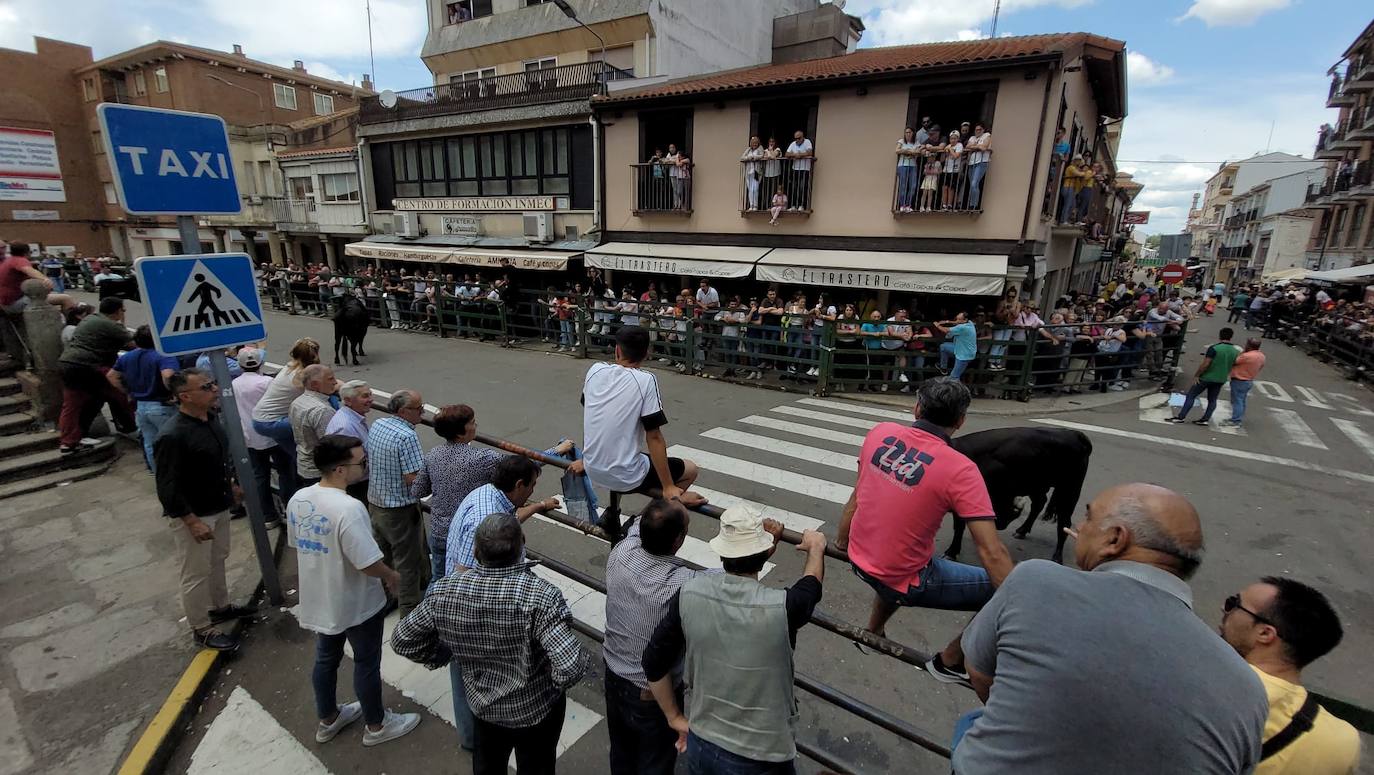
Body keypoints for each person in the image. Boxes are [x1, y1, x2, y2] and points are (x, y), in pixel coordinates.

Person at [951, 483, 1267, 774]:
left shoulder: (1035, 580)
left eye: (1088, 518)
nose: (1080, 528)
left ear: (1115, 539)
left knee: (972, 725)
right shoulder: (1249, 689)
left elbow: (979, 672)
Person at [836, 378, 1013, 685]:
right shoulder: (961, 469)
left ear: (917, 408)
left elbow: (856, 495)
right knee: (1007, 587)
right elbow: (991, 550)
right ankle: (952, 660)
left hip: (857, 557)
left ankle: (873, 631)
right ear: (960, 421)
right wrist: (1025, 598)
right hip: (905, 577)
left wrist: (841, 541)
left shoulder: (880, 433)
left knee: (897, 564)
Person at [392, 513, 592, 775]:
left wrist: (443, 654)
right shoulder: (540, 596)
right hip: (535, 710)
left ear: (475, 552)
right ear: (522, 543)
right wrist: (547, 683)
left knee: (487, 766)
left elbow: (403, 639)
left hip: (483, 704)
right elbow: (570, 666)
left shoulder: (445, 591)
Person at [642, 506, 827, 773]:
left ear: (721, 553)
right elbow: (810, 587)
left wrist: (674, 717)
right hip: (761, 755)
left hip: (702, 740)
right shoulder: (781, 607)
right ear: (765, 555)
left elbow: (653, 661)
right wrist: (816, 548)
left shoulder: (688, 594)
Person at [287, 435, 420, 748]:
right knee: (366, 661)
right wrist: (390, 576)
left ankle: (328, 718)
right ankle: (377, 724)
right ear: (339, 470)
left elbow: (298, 544)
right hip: (355, 600)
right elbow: (366, 561)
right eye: (361, 462)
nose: (365, 466)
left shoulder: (300, 498)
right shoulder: (349, 508)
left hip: (320, 596)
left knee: (325, 658)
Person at [602, 498, 710, 775]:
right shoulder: (683, 583)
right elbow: (732, 578)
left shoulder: (622, 550)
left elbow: (641, 521)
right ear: (677, 542)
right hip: (651, 693)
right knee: (655, 763)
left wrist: (672, 502)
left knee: (622, 754)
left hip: (614, 672)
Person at [154, 368, 257, 651]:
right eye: (206, 386)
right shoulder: (172, 436)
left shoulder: (210, 419)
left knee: (218, 559)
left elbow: (219, 460)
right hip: (196, 513)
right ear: (185, 396)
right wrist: (190, 520)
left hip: (219, 504)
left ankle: (220, 606)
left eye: (212, 384)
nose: (214, 389)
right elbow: (167, 485)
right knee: (195, 572)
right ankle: (201, 627)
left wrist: (232, 484)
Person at [1218, 577, 1360, 774]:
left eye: (1234, 604)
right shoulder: (1343, 743)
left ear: (1265, 633)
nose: (1223, 609)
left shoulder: (1210, 685)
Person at [582, 326, 701, 504]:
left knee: (633, 456)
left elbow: (593, 412)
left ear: (617, 350)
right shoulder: (645, 380)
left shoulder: (595, 370)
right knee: (691, 469)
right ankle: (646, 520)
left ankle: (613, 513)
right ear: (646, 353)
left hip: (591, 466)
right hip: (625, 476)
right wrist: (668, 486)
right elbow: (654, 436)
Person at [364, 389, 430, 617]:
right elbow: (413, 479)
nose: (422, 411)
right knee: (407, 561)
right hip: (399, 509)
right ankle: (409, 612)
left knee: (385, 553)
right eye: (418, 408)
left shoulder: (379, 424)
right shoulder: (407, 436)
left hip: (376, 502)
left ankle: (389, 598)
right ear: (403, 411)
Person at [57, 296, 135, 454]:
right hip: (88, 366)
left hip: (68, 364)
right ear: (118, 311)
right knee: (121, 392)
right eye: (123, 310)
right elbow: (133, 344)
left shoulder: (91, 319)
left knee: (82, 402)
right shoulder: (110, 325)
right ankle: (132, 425)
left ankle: (71, 439)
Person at [233, 348, 290, 528]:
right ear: (260, 363)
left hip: (249, 435)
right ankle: (289, 510)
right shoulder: (267, 382)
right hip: (273, 433)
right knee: (286, 472)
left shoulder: (234, 384)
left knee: (260, 475)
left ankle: (268, 516)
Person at [108, 324, 178, 472]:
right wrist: (174, 393)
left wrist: (128, 391)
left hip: (141, 405)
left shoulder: (127, 357)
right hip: (162, 404)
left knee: (150, 443)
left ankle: (158, 475)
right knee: (172, 444)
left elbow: (112, 376)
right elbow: (168, 376)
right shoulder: (163, 355)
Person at [250, 338, 321, 472]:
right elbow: (322, 390)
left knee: (296, 455)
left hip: (261, 419)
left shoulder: (289, 367)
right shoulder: (302, 375)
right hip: (272, 421)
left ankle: (302, 478)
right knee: (312, 422)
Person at [1169, 327, 1240, 426]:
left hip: (1207, 377)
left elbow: (1205, 364)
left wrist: (1197, 375)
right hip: (1221, 378)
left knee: (1191, 395)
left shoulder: (1214, 348)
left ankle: (1181, 417)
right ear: (1231, 337)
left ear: (1220, 335)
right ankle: (1205, 419)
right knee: (1212, 399)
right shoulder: (1235, 351)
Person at [289, 364, 340, 486]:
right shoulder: (322, 410)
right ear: (315, 384)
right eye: (330, 379)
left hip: (303, 464)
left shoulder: (297, 402)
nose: (335, 382)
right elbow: (330, 444)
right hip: (320, 472)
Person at [325, 380, 372, 501]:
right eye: (365, 396)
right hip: (355, 486)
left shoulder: (353, 418)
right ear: (348, 401)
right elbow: (351, 463)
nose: (371, 400)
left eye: (370, 394)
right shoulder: (345, 427)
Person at [0, 242, 75, 316]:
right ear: (27, 252)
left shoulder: (8, 261)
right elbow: (29, 270)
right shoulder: (19, 260)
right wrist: (45, 279)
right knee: (65, 299)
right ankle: (71, 325)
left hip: (6, 302)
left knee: (48, 297)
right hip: (14, 304)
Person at [1224, 338, 1266, 427]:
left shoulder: (1246, 356)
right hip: (1248, 380)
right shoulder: (1261, 356)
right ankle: (1238, 417)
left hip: (1239, 380)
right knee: (1241, 400)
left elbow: (1234, 361)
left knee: (1237, 401)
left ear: (1249, 345)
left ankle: (1236, 420)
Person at [934, 312, 979, 380]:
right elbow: (956, 322)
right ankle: (943, 368)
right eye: (957, 318)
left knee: (954, 377)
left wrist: (937, 325)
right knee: (943, 347)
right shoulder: (969, 322)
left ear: (965, 320)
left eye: (959, 319)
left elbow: (946, 330)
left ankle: (957, 390)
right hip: (959, 348)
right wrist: (947, 321)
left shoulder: (962, 327)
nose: (957, 321)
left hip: (964, 355)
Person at [784, 129, 814, 211]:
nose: (797, 140)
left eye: (799, 138)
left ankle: (802, 205)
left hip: (805, 169)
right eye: (796, 138)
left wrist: (800, 155)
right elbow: (786, 154)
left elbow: (809, 152)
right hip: (795, 169)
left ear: (803, 137)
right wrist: (795, 155)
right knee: (794, 187)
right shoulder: (793, 144)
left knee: (802, 187)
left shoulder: (807, 142)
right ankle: (793, 205)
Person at [965, 122, 992, 209]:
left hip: (981, 162)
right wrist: (978, 146)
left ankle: (975, 205)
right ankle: (972, 204)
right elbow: (967, 146)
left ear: (983, 130)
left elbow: (984, 147)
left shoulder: (987, 135)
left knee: (974, 183)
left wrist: (974, 147)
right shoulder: (972, 137)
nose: (977, 131)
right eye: (976, 130)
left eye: (979, 129)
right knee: (972, 185)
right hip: (971, 163)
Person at [895, 127, 921, 212]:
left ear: (913, 133)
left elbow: (918, 152)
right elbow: (897, 150)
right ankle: (902, 205)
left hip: (913, 166)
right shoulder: (901, 141)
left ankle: (908, 205)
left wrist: (906, 151)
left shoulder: (916, 142)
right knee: (903, 185)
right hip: (902, 165)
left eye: (909, 132)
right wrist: (909, 151)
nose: (908, 134)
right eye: (906, 132)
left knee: (913, 186)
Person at [740, 135, 766, 210]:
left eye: (756, 143)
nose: (754, 144)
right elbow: (742, 157)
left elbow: (762, 155)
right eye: (753, 143)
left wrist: (754, 157)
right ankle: (751, 205)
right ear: (751, 143)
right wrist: (748, 158)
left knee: (755, 189)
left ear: (758, 143)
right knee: (750, 189)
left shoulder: (760, 148)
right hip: (749, 172)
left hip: (756, 172)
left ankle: (755, 205)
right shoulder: (748, 150)